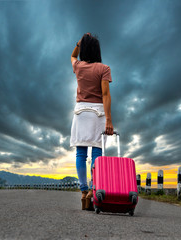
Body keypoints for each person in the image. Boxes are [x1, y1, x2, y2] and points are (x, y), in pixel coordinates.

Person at [70, 33, 114, 210]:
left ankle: (83, 191)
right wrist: (109, 120)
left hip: (81, 112)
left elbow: (72, 55)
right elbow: (105, 95)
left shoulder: (78, 66)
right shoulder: (104, 68)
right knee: (97, 153)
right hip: (97, 113)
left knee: (81, 153)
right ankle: (93, 191)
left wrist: (79, 42)